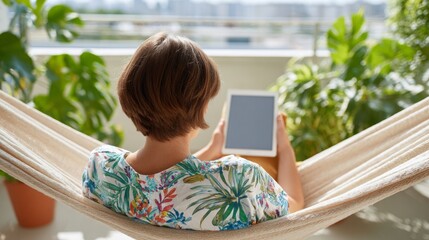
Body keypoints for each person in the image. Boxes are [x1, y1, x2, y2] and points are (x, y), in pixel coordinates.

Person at [82, 32, 304, 231]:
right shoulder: (239, 178)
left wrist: (211, 150)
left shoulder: (101, 166)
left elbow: (164, 182)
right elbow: (293, 208)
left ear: (129, 94)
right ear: (200, 106)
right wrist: (284, 147)